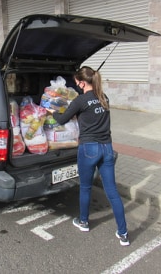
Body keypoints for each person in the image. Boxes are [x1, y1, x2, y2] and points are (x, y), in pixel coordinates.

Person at [48, 66, 130, 246]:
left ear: (82, 82)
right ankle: (123, 233)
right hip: (107, 147)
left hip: (89, 149)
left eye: (77, 83)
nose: (76, 85)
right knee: (113, 192)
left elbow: (62, 120)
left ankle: (84, 222)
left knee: (85, 188)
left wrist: (51, 111)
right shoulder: (104, 97)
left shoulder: (80, 100)